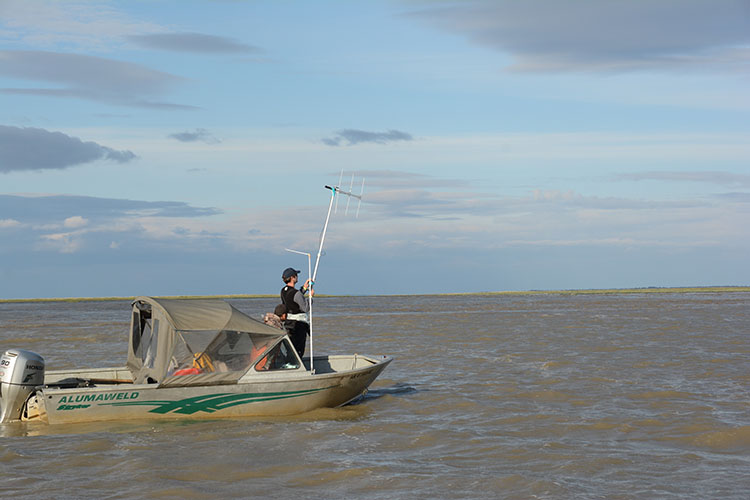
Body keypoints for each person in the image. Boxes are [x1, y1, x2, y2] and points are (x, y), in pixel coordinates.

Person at [279, 267, 313, 357]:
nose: (297, 277)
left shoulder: (283, 291)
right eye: (296, 275)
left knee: (291, 349)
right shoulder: (296, 293)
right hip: (298, 326)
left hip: (288, 324)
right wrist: (310, 297)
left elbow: (295, 298)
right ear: (292, 278)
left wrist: (304, 288)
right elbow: (305, 308)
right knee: (298, 350)